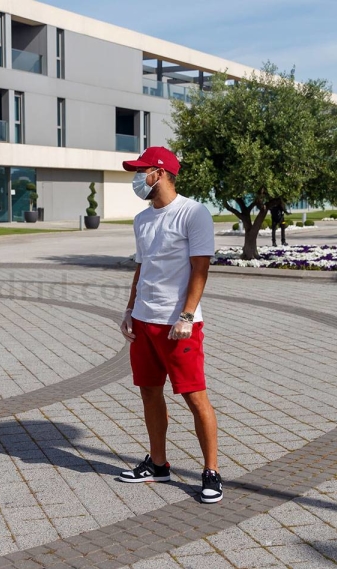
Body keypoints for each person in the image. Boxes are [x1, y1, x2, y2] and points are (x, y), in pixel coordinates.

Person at [117, 146, 223, 504]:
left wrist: (187, 316)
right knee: (149, 392)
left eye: (140, 170)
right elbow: (142, 266)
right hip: (145, 322)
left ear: (159, 173)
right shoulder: (142, 219)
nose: (136, 177)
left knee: (195, 397)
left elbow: (200, 267)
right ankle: (158, 464)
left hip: (178, 325)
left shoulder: (193, 213)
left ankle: (211, 472)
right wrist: (130, 308)